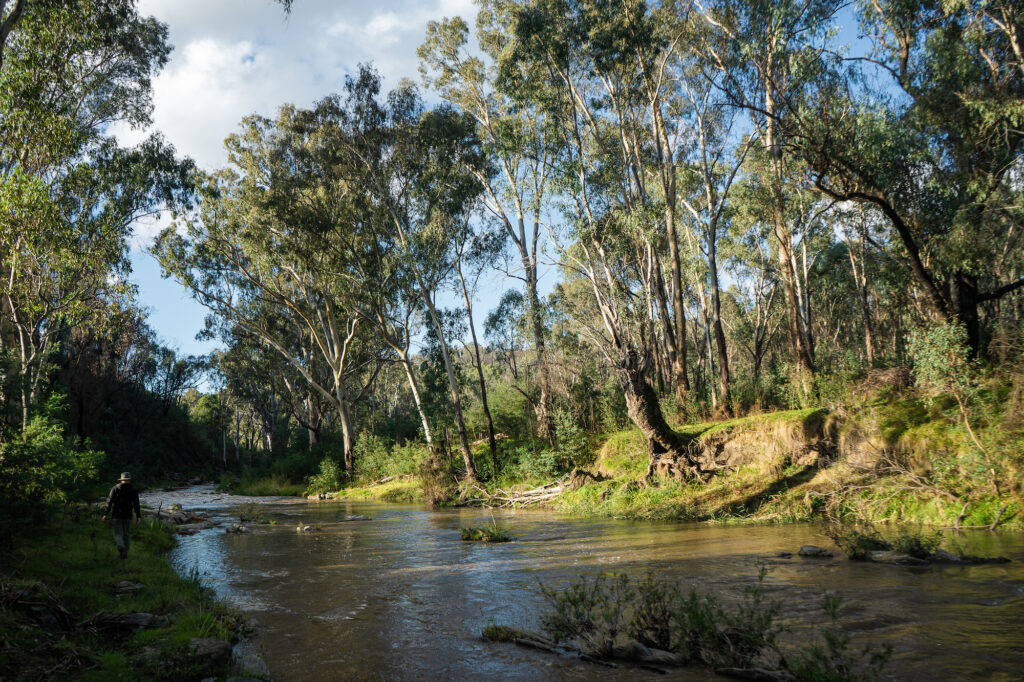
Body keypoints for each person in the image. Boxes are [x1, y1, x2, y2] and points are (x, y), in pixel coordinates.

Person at [101, 472, 141, 559]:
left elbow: (109, 502)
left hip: (117, 515)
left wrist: (105, 514)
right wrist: (138, 516)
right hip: (128, 515)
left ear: (121, 480)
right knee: (127, 534)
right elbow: (136, 504)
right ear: (129, 480)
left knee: (118, 534)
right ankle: (125, 551)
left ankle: (121, 548)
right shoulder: (133, 490)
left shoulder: (115, 488)